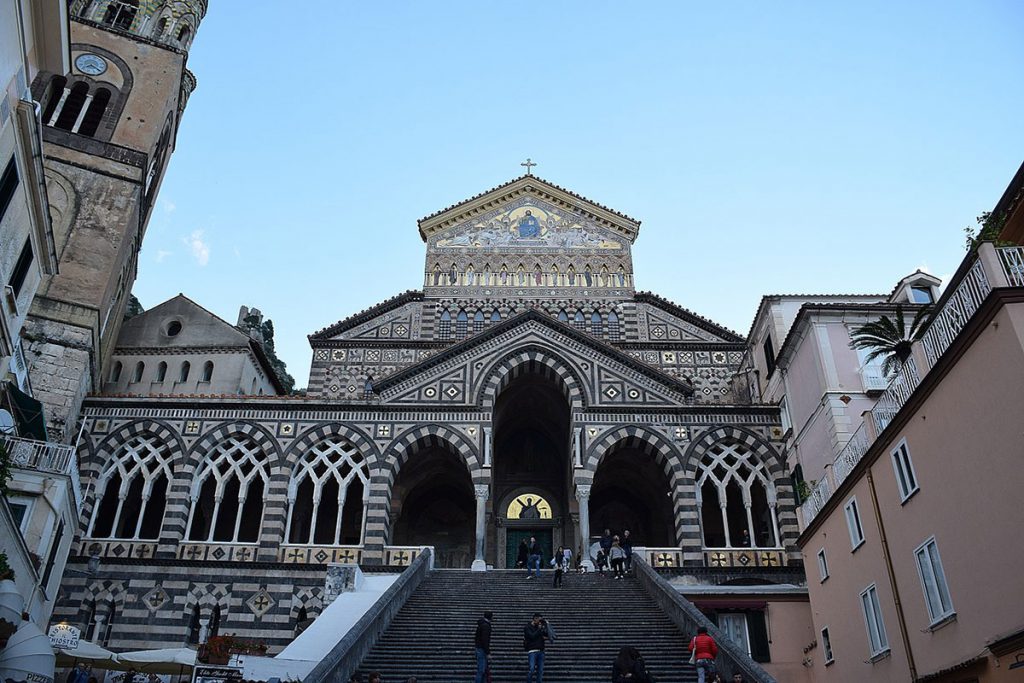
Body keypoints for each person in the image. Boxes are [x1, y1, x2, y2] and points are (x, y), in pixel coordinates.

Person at [523, 612, 550, 683]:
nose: (540, 622)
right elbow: (532, 636)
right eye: (539, 620)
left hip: (541, 651)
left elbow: (548, 635)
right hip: (532, 651)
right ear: (535, 619)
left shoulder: (540, 627)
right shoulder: (527, 627)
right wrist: (539, 629)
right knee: (531, 669)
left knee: (540, 671)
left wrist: (547, 625)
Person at [474, 610, 493, 683]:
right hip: (482, 650)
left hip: (479, 648)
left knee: (483, 670)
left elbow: (476, 637)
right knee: (481, 670)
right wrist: (488, 652)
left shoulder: (481, 624)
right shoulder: (486, 626)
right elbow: (485, 640)